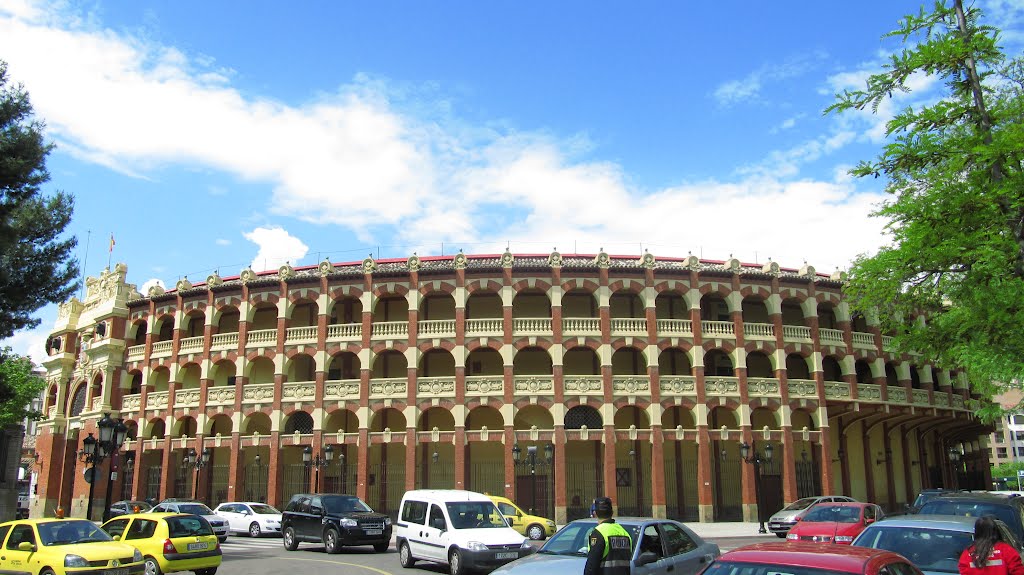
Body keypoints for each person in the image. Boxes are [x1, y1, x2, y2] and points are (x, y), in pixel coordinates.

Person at [959, 515, 1024, 575]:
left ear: (977, 532)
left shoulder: (967, 554)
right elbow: (1018, 571)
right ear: (996, 531)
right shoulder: (1006, 550)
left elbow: (964, 571)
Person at [583, 497, 632, 575]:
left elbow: (591, 567)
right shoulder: (625, 533)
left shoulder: (598, 533)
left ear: (595, 513)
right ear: (612, 512)